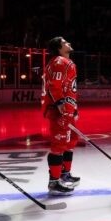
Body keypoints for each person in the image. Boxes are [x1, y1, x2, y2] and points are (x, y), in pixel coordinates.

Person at [42, 36, 79, 195]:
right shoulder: (59, 62)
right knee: (58, 145)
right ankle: (54, 182)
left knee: (70, 141)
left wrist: (73, 108)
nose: (68, 43)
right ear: (58, 48)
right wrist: (60, 105)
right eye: (64, 42)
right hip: (59, 111)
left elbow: (69, 88)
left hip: (67, 109)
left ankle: (64, 173)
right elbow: (54, 86)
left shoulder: (65, 62)